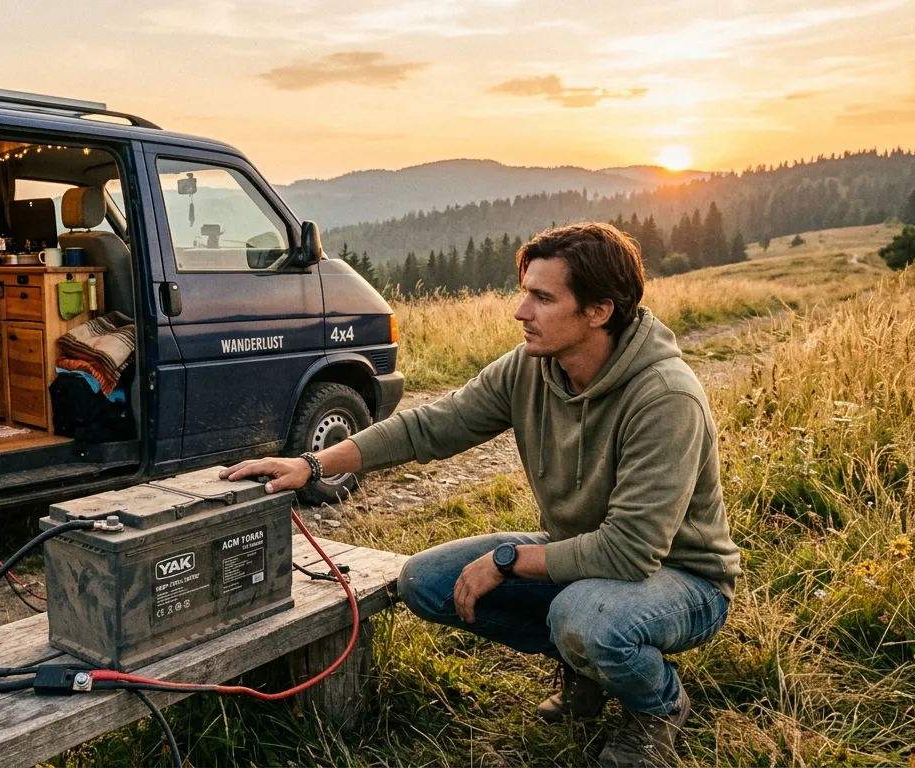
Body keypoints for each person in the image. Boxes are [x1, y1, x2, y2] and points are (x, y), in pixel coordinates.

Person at [222, 222, 741, 767]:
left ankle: (657, 706)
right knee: (424, 582)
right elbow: (432, 425)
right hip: (587, 559)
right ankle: (588, 670)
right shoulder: (532, 366)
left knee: (585, 617)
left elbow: (630, 553)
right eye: (526, 293)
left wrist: (508, 561)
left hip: (681, 579)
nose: (521, 311)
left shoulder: (665, 397)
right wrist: (314, 463)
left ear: (598, 311)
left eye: (542, 297)